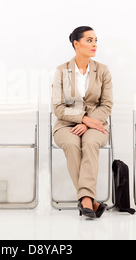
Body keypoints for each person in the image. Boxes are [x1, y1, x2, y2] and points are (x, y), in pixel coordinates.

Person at [52, 26, 113, 219]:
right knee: (71, 143)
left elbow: (107, 104)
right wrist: (82, 119)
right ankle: (89, 200)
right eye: (89, 40)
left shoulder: (102, 71)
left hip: (96, 124)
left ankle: (85, 200)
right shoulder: (62, 71)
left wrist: (88, 123)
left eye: (95, 40)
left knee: (89, 143)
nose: (94, 44)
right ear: (76, 44)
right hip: (65, 124)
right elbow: (58, 107)